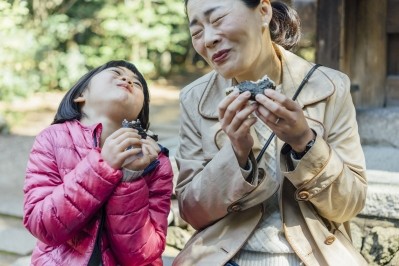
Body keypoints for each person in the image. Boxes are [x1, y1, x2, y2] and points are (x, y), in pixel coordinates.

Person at [173, 0, 368, 265]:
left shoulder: (331, 87)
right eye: (196, 32)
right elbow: (192, 212)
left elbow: (349, 205)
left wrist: (304, 142)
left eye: (217, 19)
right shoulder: (195, 99)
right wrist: (236, 154)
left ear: (263, 11)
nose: (207, 40)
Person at [23, 60, 174, 266]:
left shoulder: (156, 163)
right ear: (80, 95)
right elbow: (42, 225)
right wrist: (102, 166)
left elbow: (143, 255)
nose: (128, 79)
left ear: (141, 110)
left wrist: (131, 177)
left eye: (137, 84)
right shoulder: (53, 139)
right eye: (116, 73)